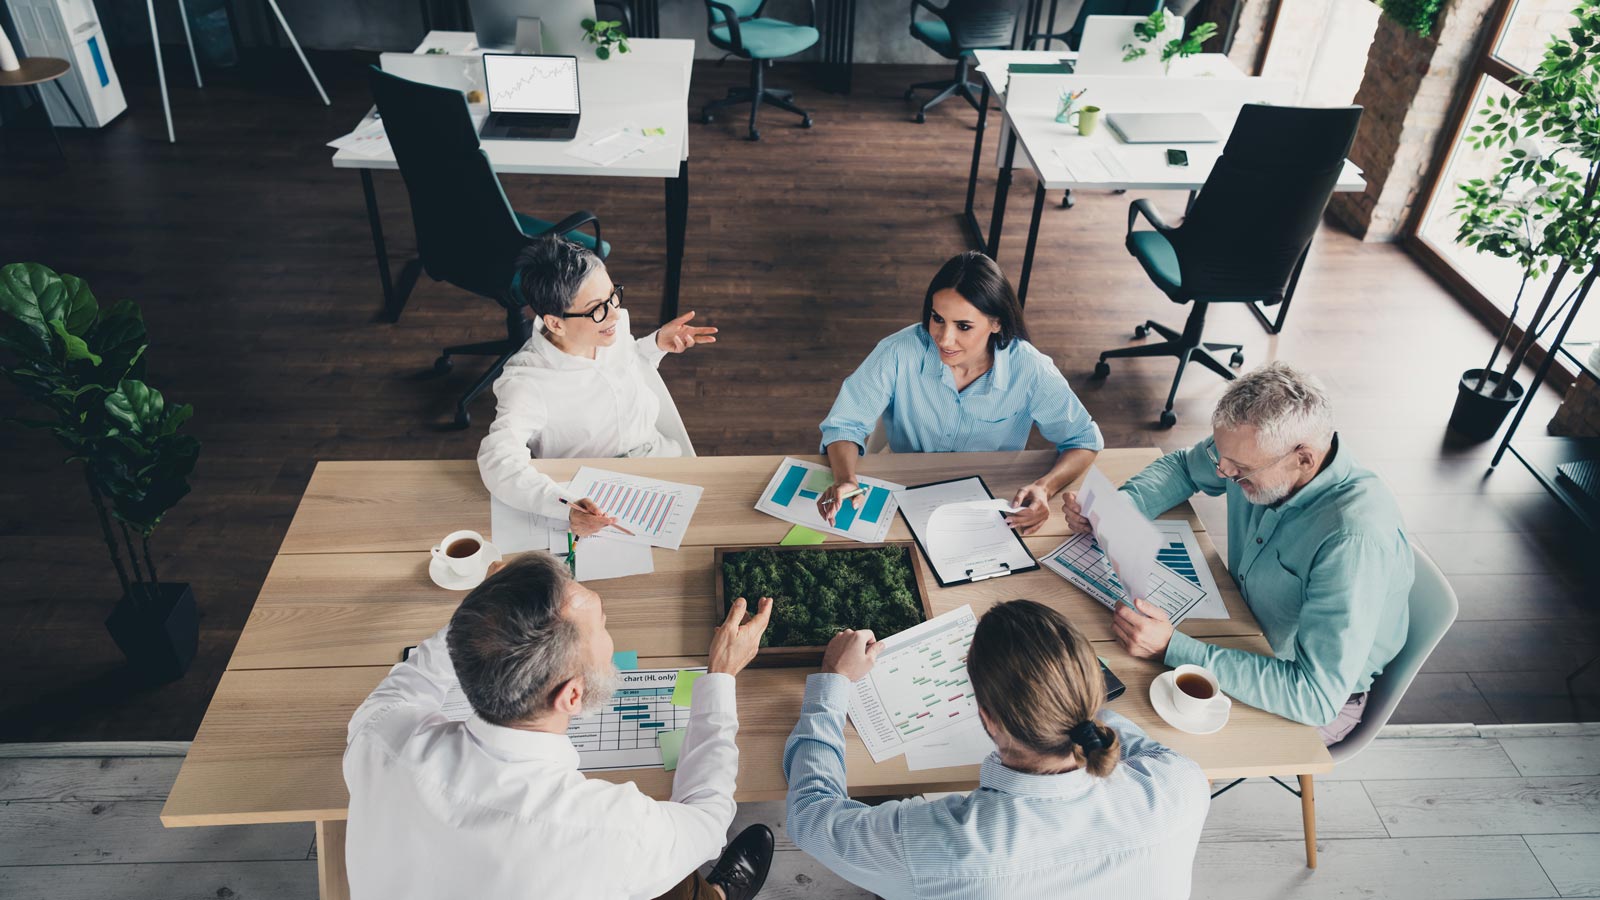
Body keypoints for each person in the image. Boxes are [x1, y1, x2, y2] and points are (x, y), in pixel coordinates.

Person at [344, 553, 777, 899]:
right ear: (573, 695)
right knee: (667, 870)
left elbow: (408, 685)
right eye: (603, 627)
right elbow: (707, 817)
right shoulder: (611, 829)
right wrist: (721, 675)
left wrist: (494, 606)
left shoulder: (381, 737)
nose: (611, 634)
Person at [1062, 362, 1411, 745]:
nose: (1223, 473)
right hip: (1241, 627)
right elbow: (1184, 468)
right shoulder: (1257, 448)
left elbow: (1315, 696)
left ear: (1304, 459)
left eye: (1241, 470)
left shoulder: (1353, 543)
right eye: (1222, 459)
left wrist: (1172, 647)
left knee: (1122, 734)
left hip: (1302, 693)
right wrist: (1117, 512)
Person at [782, 599, 1209, 899]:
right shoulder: (1182, 784)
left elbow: (811, 816)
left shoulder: (942, 845)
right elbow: (1103, 729)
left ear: (986, 718)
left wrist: (833, 682)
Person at [816, 251, 1101, 535]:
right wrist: (846, 479)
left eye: (963, 326)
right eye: (937, 318)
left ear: (996, 323)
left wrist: (1044, 487)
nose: (944, 338)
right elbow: (844, 424)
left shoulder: (1030, 369)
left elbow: (1084, 440)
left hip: (990, 494)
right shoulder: (898, 351)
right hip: (904, 483)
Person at [478, 235, 718, 538]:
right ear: (555, 324)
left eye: (613, 296)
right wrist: (562, 506)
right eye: (597, 308)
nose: (615, 314)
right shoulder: (527, 383)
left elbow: (623, 366)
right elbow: (497, 460)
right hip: (593, 494)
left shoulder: (606, 326)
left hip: (661, 459)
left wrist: (654, 346)